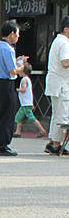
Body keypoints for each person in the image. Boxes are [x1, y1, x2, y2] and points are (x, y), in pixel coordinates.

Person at [0, 20, 26, 156]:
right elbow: (12, 70)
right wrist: (22, 67)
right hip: (6, 83)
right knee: (7, 115)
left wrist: (16, 62)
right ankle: (2, 145)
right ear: (11, 33)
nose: (18, 37)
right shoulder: (8, 48)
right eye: (17, 33)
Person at [44, 16, 69, 155]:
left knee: (56, 114)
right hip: (61, 84)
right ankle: (56, 144)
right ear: (66, 29)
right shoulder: (64, 43)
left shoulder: (58, 41)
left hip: (55, 83)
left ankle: (53, 141)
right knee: (63, 116)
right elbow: (65, 62)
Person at [13, 64, 48, 138]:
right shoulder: (28, 79)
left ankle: (42, 130)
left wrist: (17, 89)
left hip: (25, 104)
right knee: (19, 117)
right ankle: (18, 131)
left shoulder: (24, 80)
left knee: (31, 118)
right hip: (26, 103)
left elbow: (24, 89)